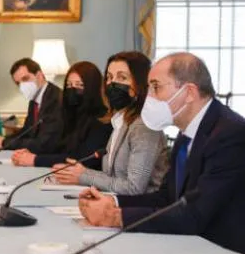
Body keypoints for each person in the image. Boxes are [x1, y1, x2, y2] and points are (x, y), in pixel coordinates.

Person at [80, 53, 245, 254]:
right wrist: (113, 202)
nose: (148, 97)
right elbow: (166, 198)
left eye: (156, 87)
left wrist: (116, 217)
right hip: (186, 246)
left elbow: (195, 214)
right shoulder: (186, 134)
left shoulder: (230, 134)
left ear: (189, 92)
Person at [53, 52, 168, 194]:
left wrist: (84, 176)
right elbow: (112, 176)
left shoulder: (144, 126)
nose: (112, 83)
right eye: (109, 77)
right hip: (113, 200)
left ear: (139, 84)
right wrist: (83, 172)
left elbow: (134, 188)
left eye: (122, 77)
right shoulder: (120, 122)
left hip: (140, 205)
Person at [11, 61, 111, 168]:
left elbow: (82, 159)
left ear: (92, 87)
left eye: (79, 85)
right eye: (69, 85)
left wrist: (35, 160)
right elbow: (59, 148)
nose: (72, 90)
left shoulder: (102, 119)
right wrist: (31, 155)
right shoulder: (72, 115)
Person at [0, 58, 62, 153]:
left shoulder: (56, 99)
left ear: (39, 75)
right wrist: (2, 140)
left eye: (25, 79)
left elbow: (44, 143)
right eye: (18, 83)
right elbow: (27, 132)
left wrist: (4, 143)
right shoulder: (34, 100)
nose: (22, 86)